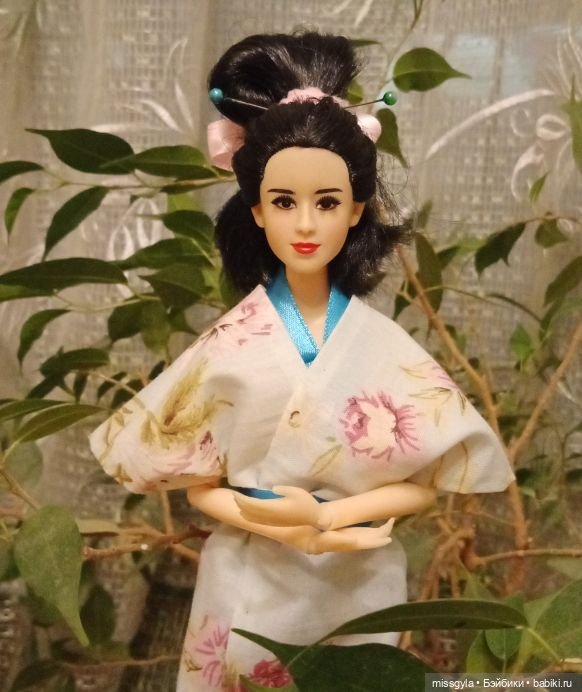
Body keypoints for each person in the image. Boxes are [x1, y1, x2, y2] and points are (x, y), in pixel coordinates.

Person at [89, 31, 514, 692]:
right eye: (285, 202)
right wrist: (283, 525)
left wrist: (328, 519)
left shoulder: (383, 348)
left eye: (328, 202)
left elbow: (425, 483)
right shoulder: (233, 341)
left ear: (357, 210)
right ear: (258, 210)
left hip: (359, 578)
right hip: (249, 574)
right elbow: (200, 485)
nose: (307, 224)